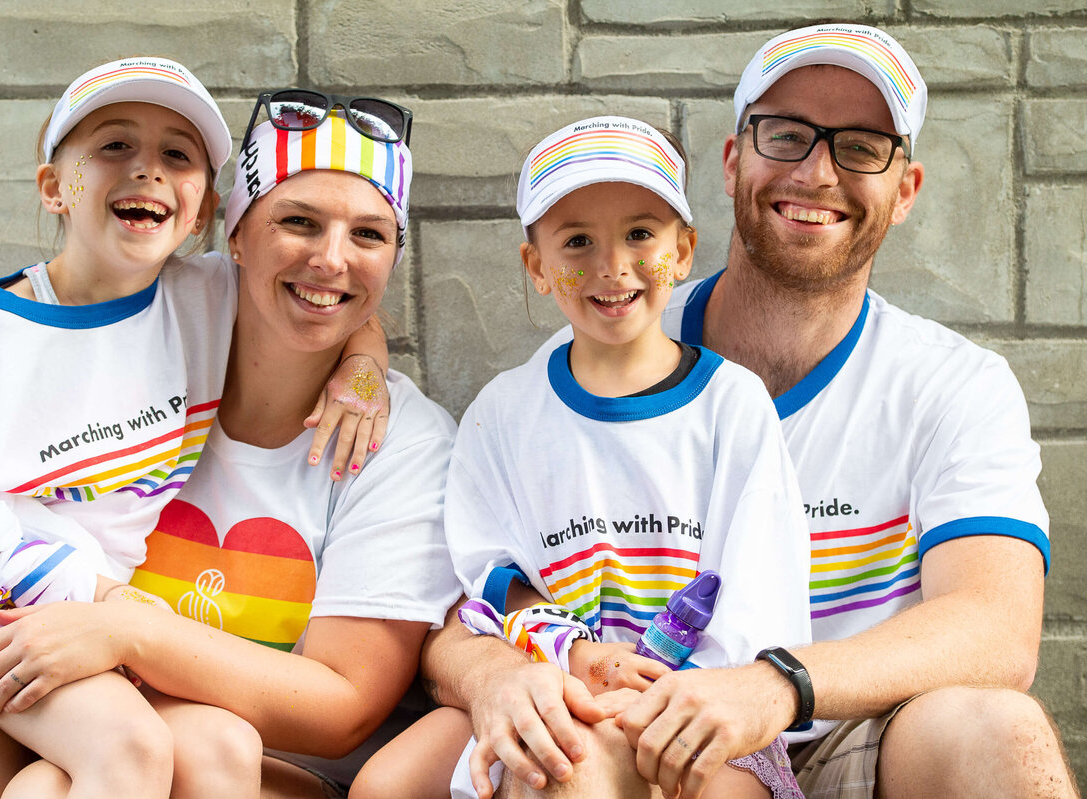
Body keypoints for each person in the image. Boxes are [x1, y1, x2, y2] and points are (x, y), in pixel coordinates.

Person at [420, 21, 1079, 799]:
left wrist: (776, 684)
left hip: (862, 738)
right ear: (735, 161)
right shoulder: (597, 347)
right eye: (787, 134)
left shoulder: (951, 384)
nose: (819, 171)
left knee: (1001, 732)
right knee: (568, 763)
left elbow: (995, 630)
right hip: (642, 737)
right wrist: (502, 673)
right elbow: (470, 599)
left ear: (905, 190)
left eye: (862, 145)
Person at [0, 89, 460, 799]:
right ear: (233, 235)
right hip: (93, 698)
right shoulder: (149, 330)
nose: (331, 259)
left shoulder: (400, 438)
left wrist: (128, 630)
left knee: (159, 757)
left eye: (369, 236)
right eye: (298, 222)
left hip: (261, 759)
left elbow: (342, 705)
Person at [356, 116, 812, 799]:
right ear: (535, 265)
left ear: (684, 250)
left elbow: (756, 608)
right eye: (576, 241)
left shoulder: (731, 406)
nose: (611, 266)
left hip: (699, 710)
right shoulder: (503, 415)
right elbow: (490, 582)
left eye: (640, 234)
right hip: (545, 682)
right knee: (385, 784)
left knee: (583, 770)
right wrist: (569, 665)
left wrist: (646, 695)